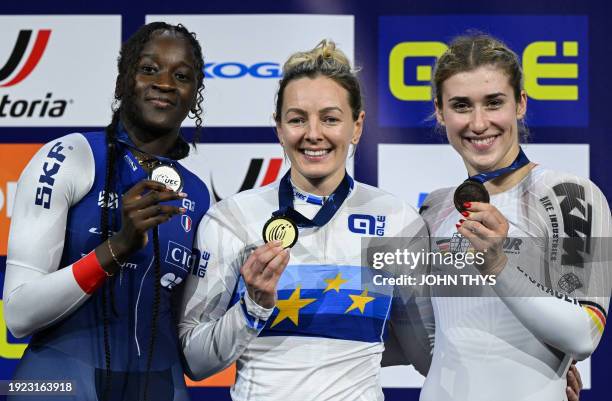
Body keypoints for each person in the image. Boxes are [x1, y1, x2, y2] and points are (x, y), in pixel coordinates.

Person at [178, 40, 433, 401]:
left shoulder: (396, 220)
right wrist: (252, 307)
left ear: (356, 126)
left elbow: (427, 351)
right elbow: (194, 359)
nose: (313, 134)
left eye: (330, 118)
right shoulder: (232, 219)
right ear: (279, 128)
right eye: (297, 119)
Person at [3, 22, 210, 401]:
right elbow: (18, 315)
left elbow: (193, 345)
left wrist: (252, 305)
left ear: (194, 97)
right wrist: (118, 246)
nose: (164, 82)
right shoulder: (69, 156)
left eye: (181, 75)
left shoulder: (197, 194)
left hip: (161, 386)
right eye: (149, 69)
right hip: (58, 384)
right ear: (121, 84)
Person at [417, 33, 610, 401]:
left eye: (494, 103)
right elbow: (420, 340)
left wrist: (498, 266)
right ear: (440, 111)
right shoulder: (433, 209)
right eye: (461, 105)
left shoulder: (569, 195)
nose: (478, 122)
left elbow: (584, 334)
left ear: (520, 103)